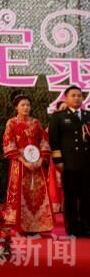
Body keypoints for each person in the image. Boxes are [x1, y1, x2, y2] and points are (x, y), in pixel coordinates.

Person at [2, 94, 54, 234]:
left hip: (36, 163)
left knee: (36, 194)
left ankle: (37, 224)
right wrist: (24, 161)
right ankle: (19, 223)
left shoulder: (36, 122)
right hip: (19, 163)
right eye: (23, 105)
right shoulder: (11, 123)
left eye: (28, 105)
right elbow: (9, 143)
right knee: (19, 192)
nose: (26, 107)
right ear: (16, 107)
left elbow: (44, 141)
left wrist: (40, 160)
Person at [49, 85, 90, 237]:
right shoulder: (58, 117)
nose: (77, 98)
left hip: (87, 162)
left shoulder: (87, 115)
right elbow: (54, 141)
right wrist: (58, 160)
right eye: (73, 95)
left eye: (79, 95)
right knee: (71, 197)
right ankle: (73, 227)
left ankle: (87, 226)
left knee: (87, 196)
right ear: (66, 98)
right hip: (69, 163)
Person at [47, 101, 66, 213]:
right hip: (56, 155)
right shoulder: (53, 123)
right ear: (57, 110)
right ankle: (56, 205)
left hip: (71, 156)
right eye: (62, 108)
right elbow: (46, 139)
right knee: (55, 182)